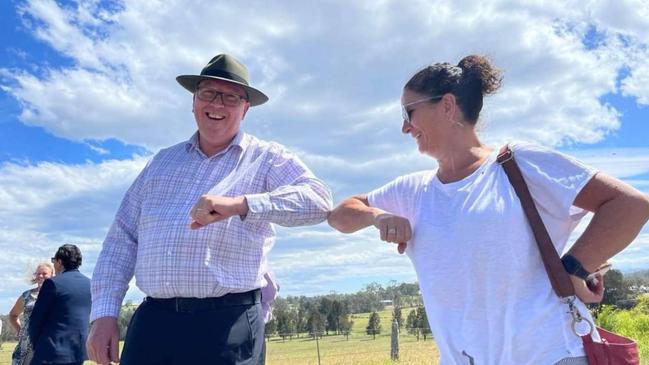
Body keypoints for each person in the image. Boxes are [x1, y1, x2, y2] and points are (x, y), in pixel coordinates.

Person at [327, 55, 649, 365]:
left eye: (408, 112)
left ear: (448, 105)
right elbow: (339, 215)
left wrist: (574, 270)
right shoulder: (412, 191)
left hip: (550, 355)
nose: (404, 127)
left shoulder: (520, 164)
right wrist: (377, 216)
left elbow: (630, 205)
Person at [86, 53, 332, 365]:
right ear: (193, 101)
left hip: (227, 326)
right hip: (153, 323)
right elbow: (122, 238)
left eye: (230, 97)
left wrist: (243, 204)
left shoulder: (266, 158)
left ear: (245, 109)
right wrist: (104, 313)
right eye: (208, 93)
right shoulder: (161, 163)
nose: (217, 104)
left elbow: (318, 200)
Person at [29, 244, 91, 365]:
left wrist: (37, 344)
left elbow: (36, 320)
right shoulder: (90, 284)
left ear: (59, 262)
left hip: (51, 352)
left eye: (54, 261)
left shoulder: (52, 284)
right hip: (77, 352)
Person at [8, 262, 54, 365]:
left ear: (52, 275)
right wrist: (19, 330)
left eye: (44, 273)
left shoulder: (58, 295)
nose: (41, 276)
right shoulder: (26, 296)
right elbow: (13, 315)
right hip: (26, 347)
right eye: (38, 273)